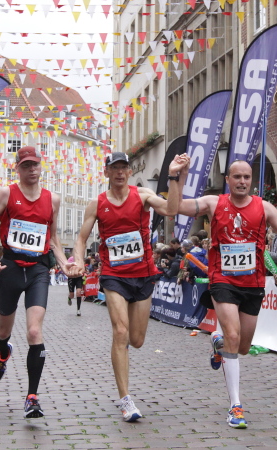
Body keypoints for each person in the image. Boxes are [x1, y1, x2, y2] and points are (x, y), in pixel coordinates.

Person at [176, 159, 277, 429]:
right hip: (222, 279)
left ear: (251, 180)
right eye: (236, 177)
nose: (242, 181)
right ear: (228, 179)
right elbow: (177, 206)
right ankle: (235, 405)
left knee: (244, 347)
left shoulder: (264, 207)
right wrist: (179, 177)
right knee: (234, 336)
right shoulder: (214, 203)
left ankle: (218, 342)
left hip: (252, 283)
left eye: (246, 177)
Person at [71, 151, 189, 422]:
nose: (120, 172)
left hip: (143, 274)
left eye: (124, 167)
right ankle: (126, 399)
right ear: (107, 172)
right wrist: (78, 260)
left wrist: (174, 176)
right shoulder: (97, 204)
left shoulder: (143, 195)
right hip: (114, 275)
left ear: (129, 171)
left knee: (136, 340)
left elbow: (171, 210)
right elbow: (81, 239)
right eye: (115, 168)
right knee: (121, 332)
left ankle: (126, 391)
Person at [0, 146, 72, 419]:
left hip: (38, 270)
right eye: (26, 165)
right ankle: (3, 353)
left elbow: (52, 238)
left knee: (34, 332)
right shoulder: (7, 193)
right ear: (18, 169)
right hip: (10, 267)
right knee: (3, 331)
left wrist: (64, 263)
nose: (32, 169)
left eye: (35, 165)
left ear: (41, 166)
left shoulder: (53, 199)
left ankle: (32, 397)